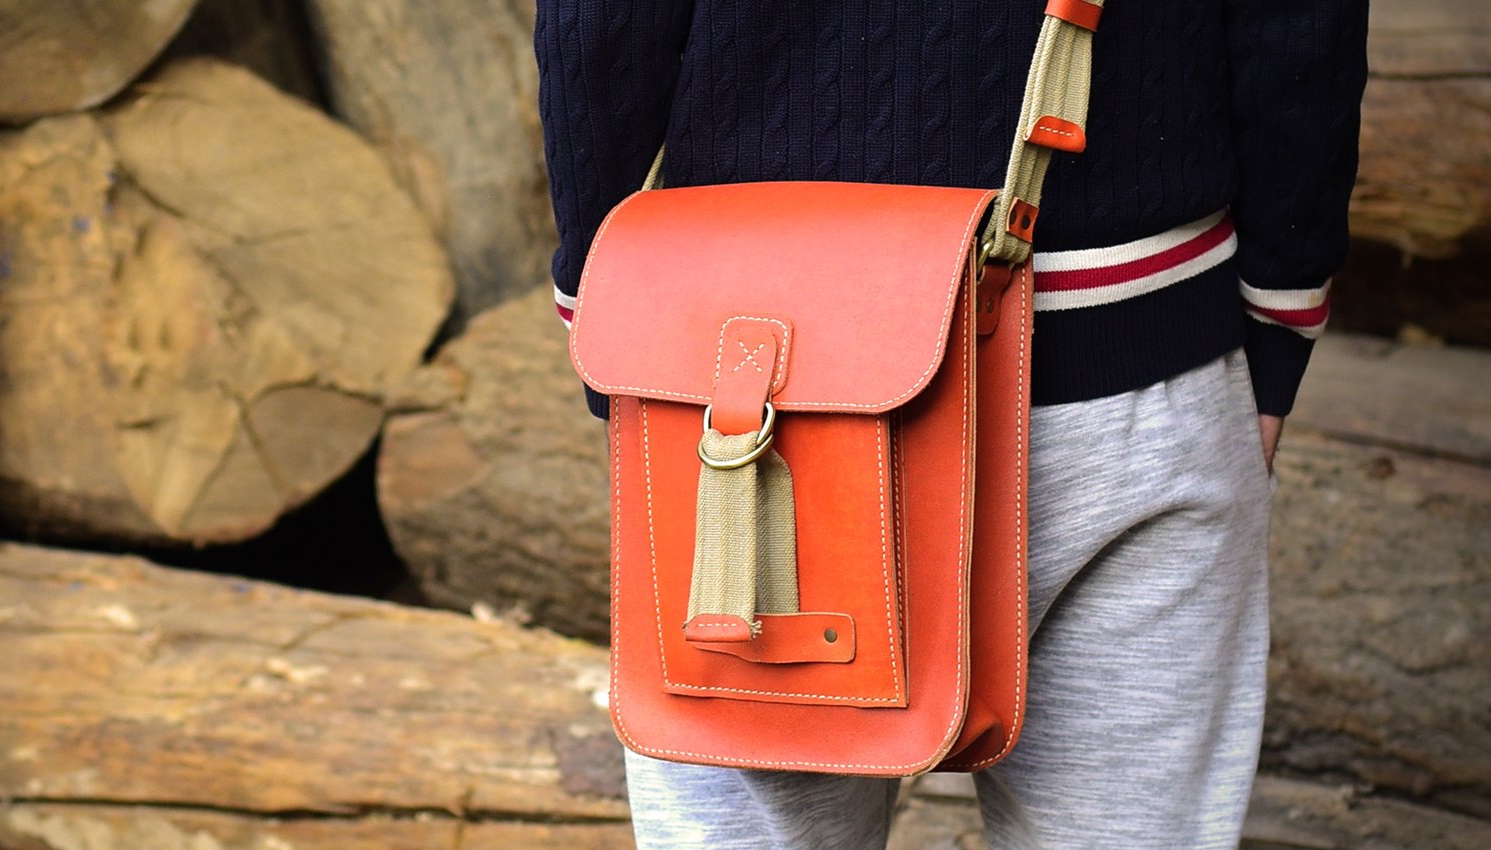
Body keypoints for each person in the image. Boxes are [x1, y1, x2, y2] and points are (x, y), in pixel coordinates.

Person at [533, 1, 1367, 847]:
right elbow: (1302, 29)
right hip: (1137, 365)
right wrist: (1279, 322)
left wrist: (617, 336)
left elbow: (597, 29)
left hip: (752, 390)